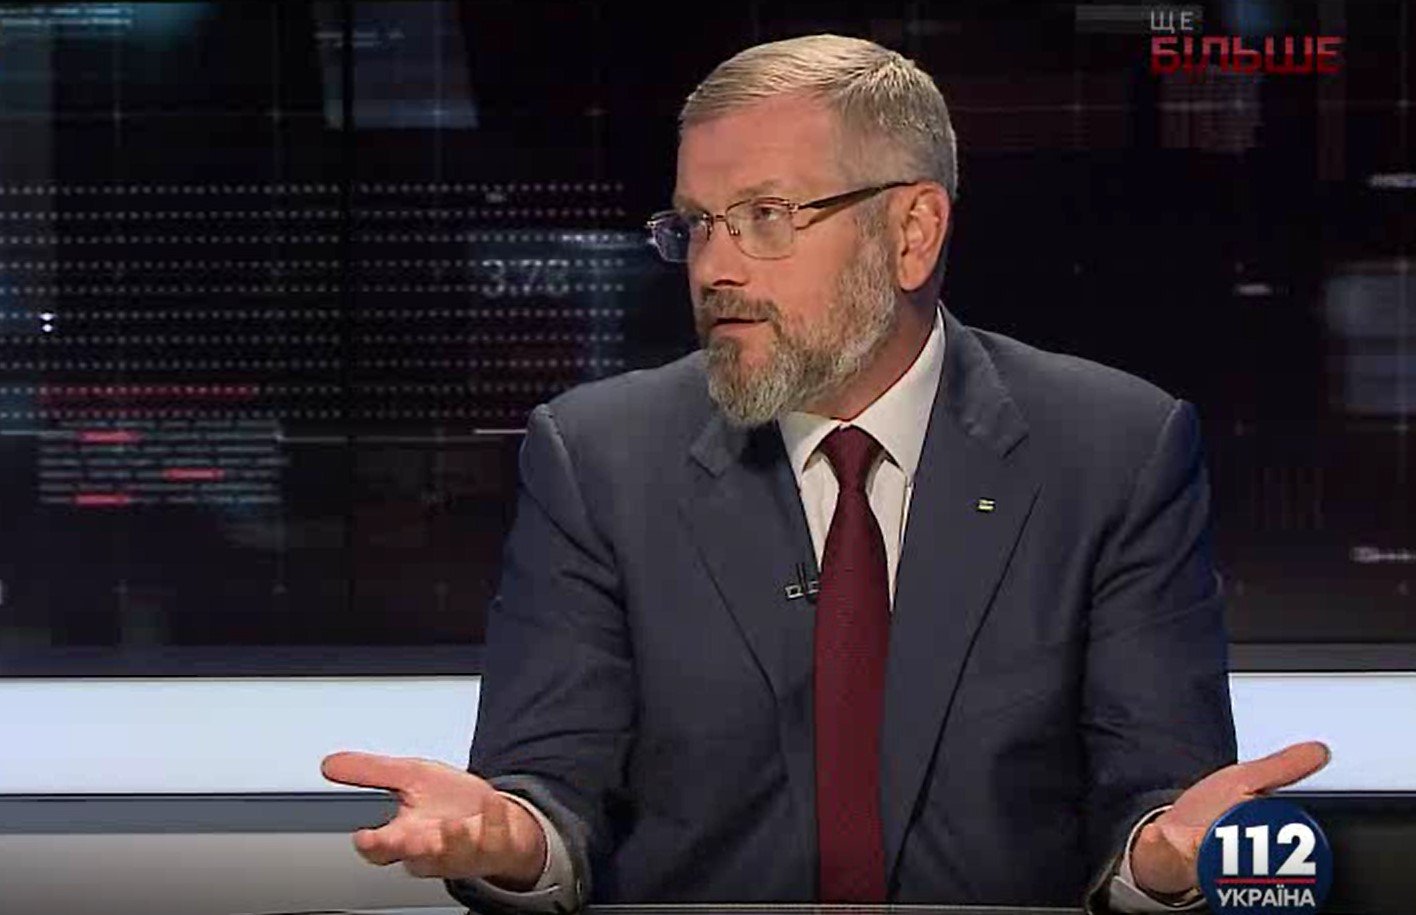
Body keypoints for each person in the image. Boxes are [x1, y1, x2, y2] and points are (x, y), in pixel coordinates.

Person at [321, 33, 1330, 914]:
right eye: (695, 224)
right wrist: (511, 839)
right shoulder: (596, 457)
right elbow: (549, 792)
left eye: (764, 216)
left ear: (911, 233)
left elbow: (1154, 804)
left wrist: (1164, 861)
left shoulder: (1114, 450)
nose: (714, 267)